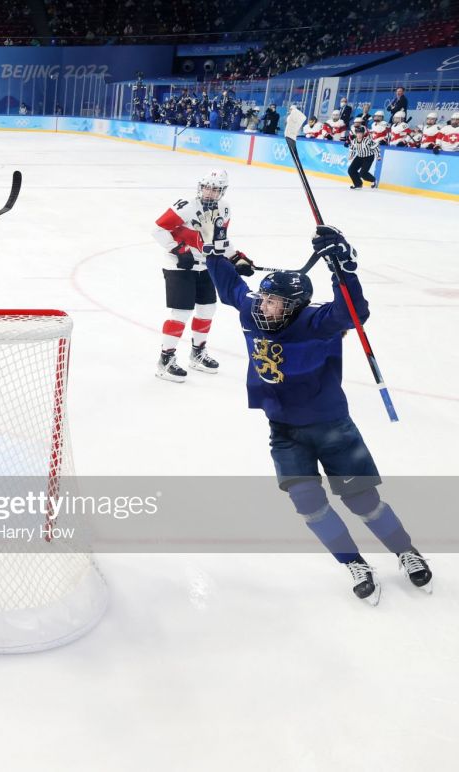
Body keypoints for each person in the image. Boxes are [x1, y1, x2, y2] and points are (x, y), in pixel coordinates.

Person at [203, 226, 432, 603]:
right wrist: (215, 251)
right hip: (284, 431)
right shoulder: (253, 310)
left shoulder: (317, 322)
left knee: (363, 501)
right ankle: (353, 562)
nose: (266, 308)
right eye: (265, 300)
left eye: (276, 303)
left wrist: (341, 266)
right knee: (308, 504)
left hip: (331, 426)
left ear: (295, 307)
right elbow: (231, 288)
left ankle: (406, 551)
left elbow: (354, 311)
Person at [151, 169, 249, 382]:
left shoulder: (224, 208)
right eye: (206, 187)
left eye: (215, 189)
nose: (209, 193)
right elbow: (158, 228)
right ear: (200, 186)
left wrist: (236, 258)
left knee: (207, 309)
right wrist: (178, 249)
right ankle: (165, 360)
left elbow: (219, 239)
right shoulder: (186, 206)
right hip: (179, 266)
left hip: (206, 266)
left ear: (222, 191)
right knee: (181, 312)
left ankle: (197, 353)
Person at [346, 124, 379, 190]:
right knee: (351, 170)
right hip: (360, 156)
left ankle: (373, 180)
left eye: (360, 133)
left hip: (368, 157)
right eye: (358, 133)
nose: (359, 135)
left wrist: (378, 156)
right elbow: (352, 149)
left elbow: (375, 147)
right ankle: (358, 184)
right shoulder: (354, 141)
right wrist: (351, 156)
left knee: (363, 174)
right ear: (356, 134)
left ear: (363, 133)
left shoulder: (367, 140)